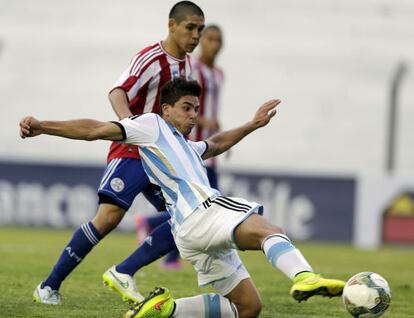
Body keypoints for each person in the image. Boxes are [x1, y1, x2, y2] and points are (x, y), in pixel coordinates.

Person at [20, 78, 346, 318]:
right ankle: (305, 277)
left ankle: (167, 309)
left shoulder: (185, 146)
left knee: (248, 307)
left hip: (188, 232)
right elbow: (94, 129)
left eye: (196, 109)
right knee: (268, 230)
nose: (193, 116)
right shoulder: (151, 126)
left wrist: (252, 125)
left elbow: (216, 144)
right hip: (202, 211)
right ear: (166, 110)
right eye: (186, 108)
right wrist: (43, 126)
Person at [32, 1, 205, 305]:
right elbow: (117, 90)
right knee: (108, 218)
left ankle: (124, 271)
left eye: (200, 30)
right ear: (172, 25)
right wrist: (132, 126)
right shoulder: (152, 58)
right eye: (190, 27)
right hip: (133, 152)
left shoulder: (186, 64)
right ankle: (48, 286)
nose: (195, 35)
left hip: (161, 157)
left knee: (187, 217)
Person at [134, 24, 224, 269]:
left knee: (201, 206)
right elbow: (182, 103)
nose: (214, 45)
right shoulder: (193, 69)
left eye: (219, 40)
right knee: (202, 206)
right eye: (210, 39)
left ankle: (171, 258)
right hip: (190, 148)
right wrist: (204, 122)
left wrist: (218, 134)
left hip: (208, 148)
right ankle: (151, 225)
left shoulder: (219, 74)